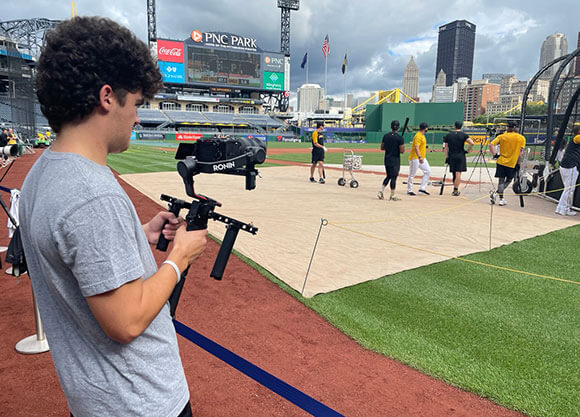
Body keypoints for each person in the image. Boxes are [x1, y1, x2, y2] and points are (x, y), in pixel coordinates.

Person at [19, 17, 207, 417]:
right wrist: (179, 257)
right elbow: (125, 322)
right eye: (136, 103)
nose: (137, 117)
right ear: (108, 97)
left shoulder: (44, 170)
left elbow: (69, 251)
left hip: (96, 400)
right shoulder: (92, 194)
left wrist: (140, 233)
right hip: (141, 402)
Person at [489, 120, 526, 206]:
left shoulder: (502, 136)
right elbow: (521, 153)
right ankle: (498, 195)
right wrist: (519, 163)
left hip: (501, 161)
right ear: (515, 127)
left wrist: (495, 155)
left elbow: (491, 145)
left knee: (501, 181)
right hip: (512, 163)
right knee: (508, 180)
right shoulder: (521, 138)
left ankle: (500, 197)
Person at [443, 121, 474, 196]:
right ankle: (455, 189)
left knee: (454, 172)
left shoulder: (448, 135)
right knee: (458, 172)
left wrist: (446, 157)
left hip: (452, 155)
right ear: (461, 126)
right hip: (460, 155)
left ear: (454, 126)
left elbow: (446, 147)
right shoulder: (464, 135)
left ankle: (455, 188)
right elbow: (472, 143)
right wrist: (468, 150)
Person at [555, 125, 580, 216]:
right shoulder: (576, 138)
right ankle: (563, 209)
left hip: (566, 166)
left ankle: (562, 208)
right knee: (569, 189)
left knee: (568, 189)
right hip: (570, 166)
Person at [378, 119, 405, 200]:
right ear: (398, 127)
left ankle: (381, 191)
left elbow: (382, 148)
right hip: (395, 160)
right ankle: (392, 195)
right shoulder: (400, 138)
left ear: (391, 126)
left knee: (389, 175)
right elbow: (402, 151)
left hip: (387, 159)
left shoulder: (386, 136)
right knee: (393, 177)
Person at [407, 122, 431, 195]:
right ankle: (409, 190)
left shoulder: (422, 135)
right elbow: (416, 147)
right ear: (425, 128)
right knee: (412, 174)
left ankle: (422, 188)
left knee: (428, 171)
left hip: (422, 158)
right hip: (415, 158)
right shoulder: (418, 136)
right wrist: (419, 157)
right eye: (427, 127)